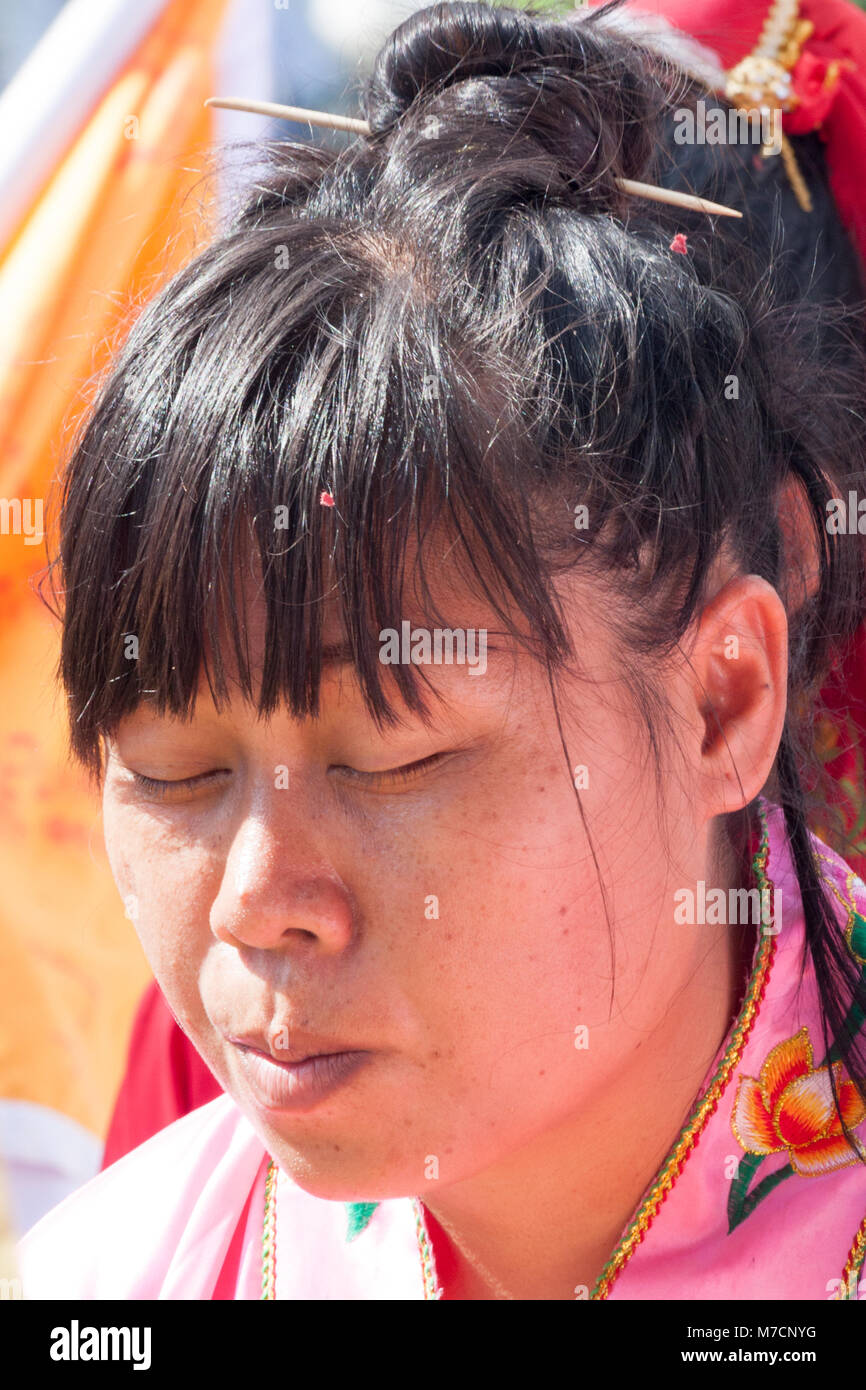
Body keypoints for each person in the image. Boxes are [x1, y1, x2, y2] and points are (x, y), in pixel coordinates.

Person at [17, 0, 866, 1298]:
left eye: (391, 758)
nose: (252, 899)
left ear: (720, 699)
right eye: (176, 768)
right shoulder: (115, 1275)